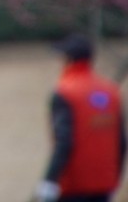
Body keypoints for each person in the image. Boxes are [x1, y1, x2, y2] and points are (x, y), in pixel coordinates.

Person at [36, 34, 126, 202]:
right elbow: (121, 142)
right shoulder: (111, 92)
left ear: (67, 59)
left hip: (73, 186)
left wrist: (49, 180)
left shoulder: (65, 93)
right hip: (104, 185)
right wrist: (114, 181)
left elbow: (64, 142)